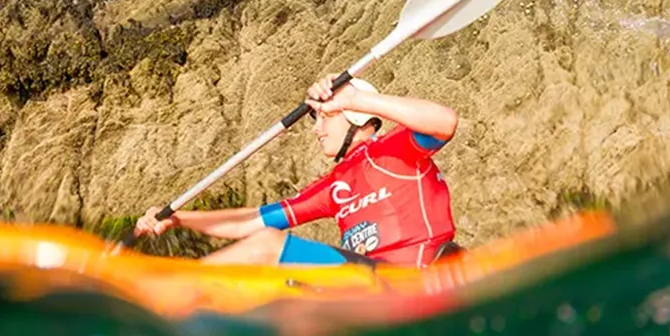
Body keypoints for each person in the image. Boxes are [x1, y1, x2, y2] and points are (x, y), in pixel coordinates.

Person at [132, 74, 460, 268]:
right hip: (364, 284)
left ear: (356, 117)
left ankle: (161, 294)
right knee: (269, 275)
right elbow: (252, 222)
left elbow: (446, 122)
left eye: (325, 118)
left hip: (415, 278)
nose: (317, 130)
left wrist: (357, 98)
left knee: (267, 246)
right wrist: (177, 219)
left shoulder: (396, 149)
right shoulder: (334, 185)